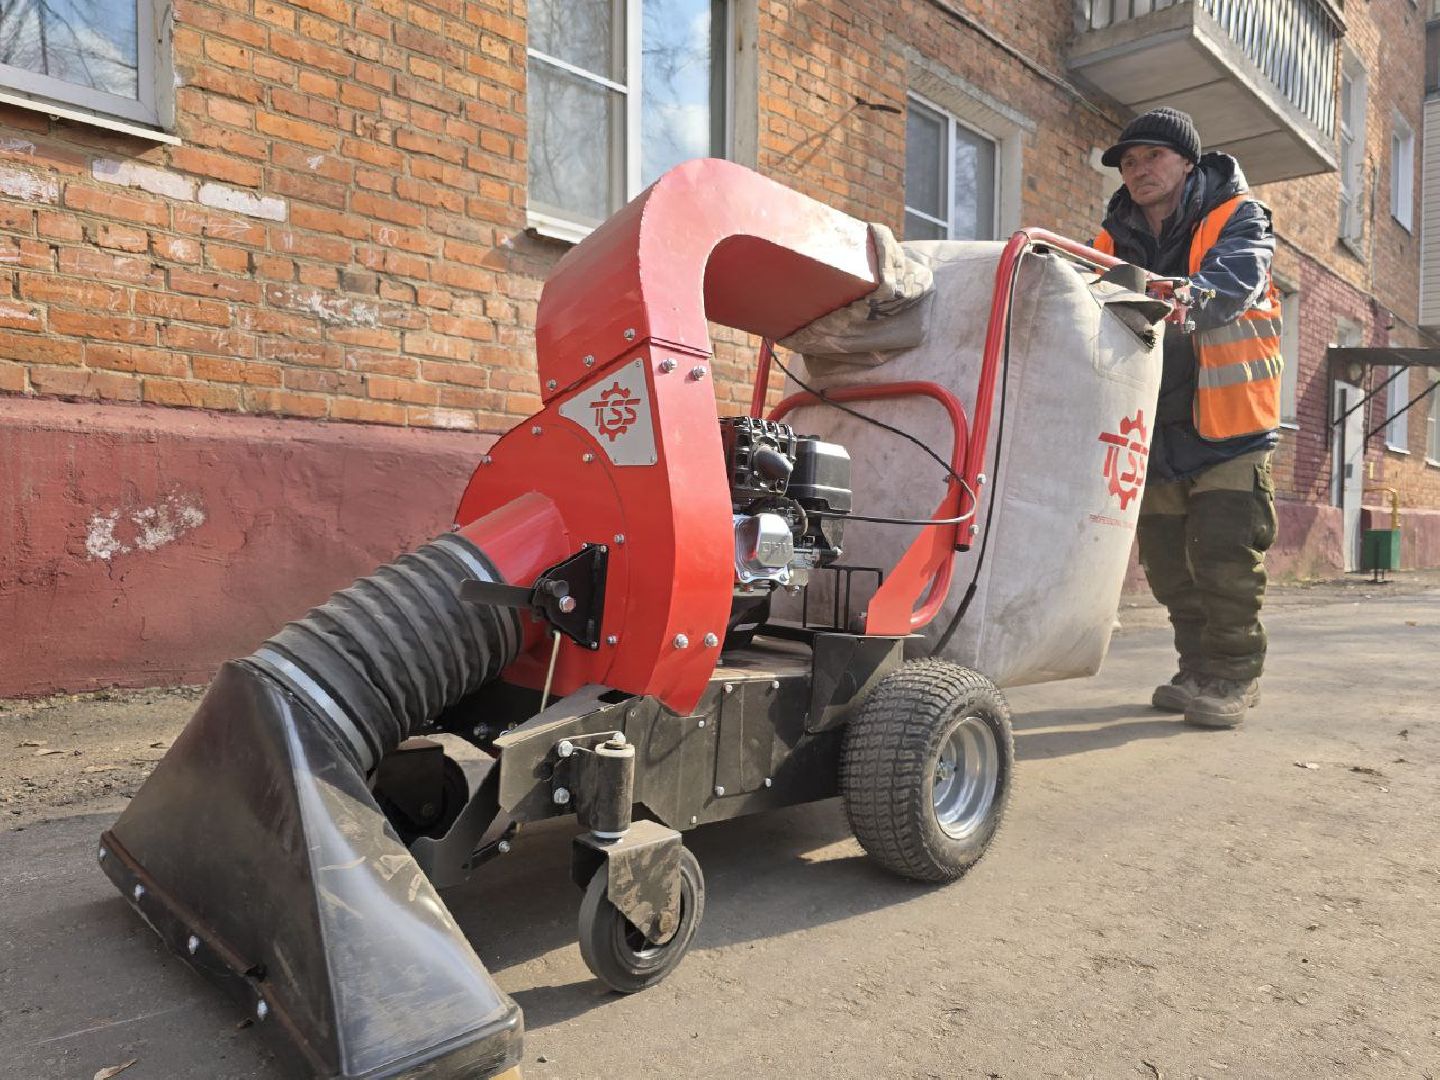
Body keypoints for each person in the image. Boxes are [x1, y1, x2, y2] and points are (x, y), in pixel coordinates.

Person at [1093, 107, 1282, 729]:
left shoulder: (1238, 217)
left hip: (1229, 428)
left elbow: (1235, 281)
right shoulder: (1108, 238)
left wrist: (1177, 297)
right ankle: (1197, 668)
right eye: (1127, 161)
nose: (1137, 169)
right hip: (1151, 427)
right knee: (1171, 566)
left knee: (1224, 557)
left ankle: (1233, 676)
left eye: (1151, 156)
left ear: (1187, 162)